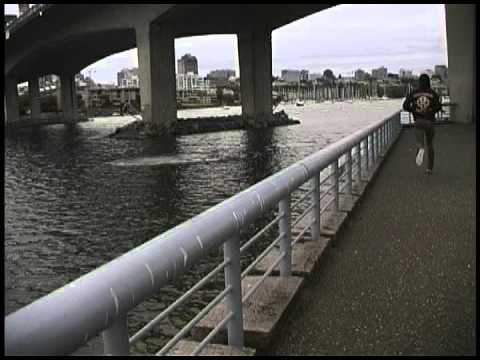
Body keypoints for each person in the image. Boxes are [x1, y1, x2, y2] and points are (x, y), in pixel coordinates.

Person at [402, 74, 442, 174]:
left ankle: (420, 148)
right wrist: (430, 111)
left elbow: (405, 106)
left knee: (420, 142)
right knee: (430, 145)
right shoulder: (433, 93)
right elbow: (438, 107)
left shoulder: (413, 93)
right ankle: (429, 169)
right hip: (429, 122)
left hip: (418, 121)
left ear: (419, 82)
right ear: (428, 82)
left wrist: (414, 110)